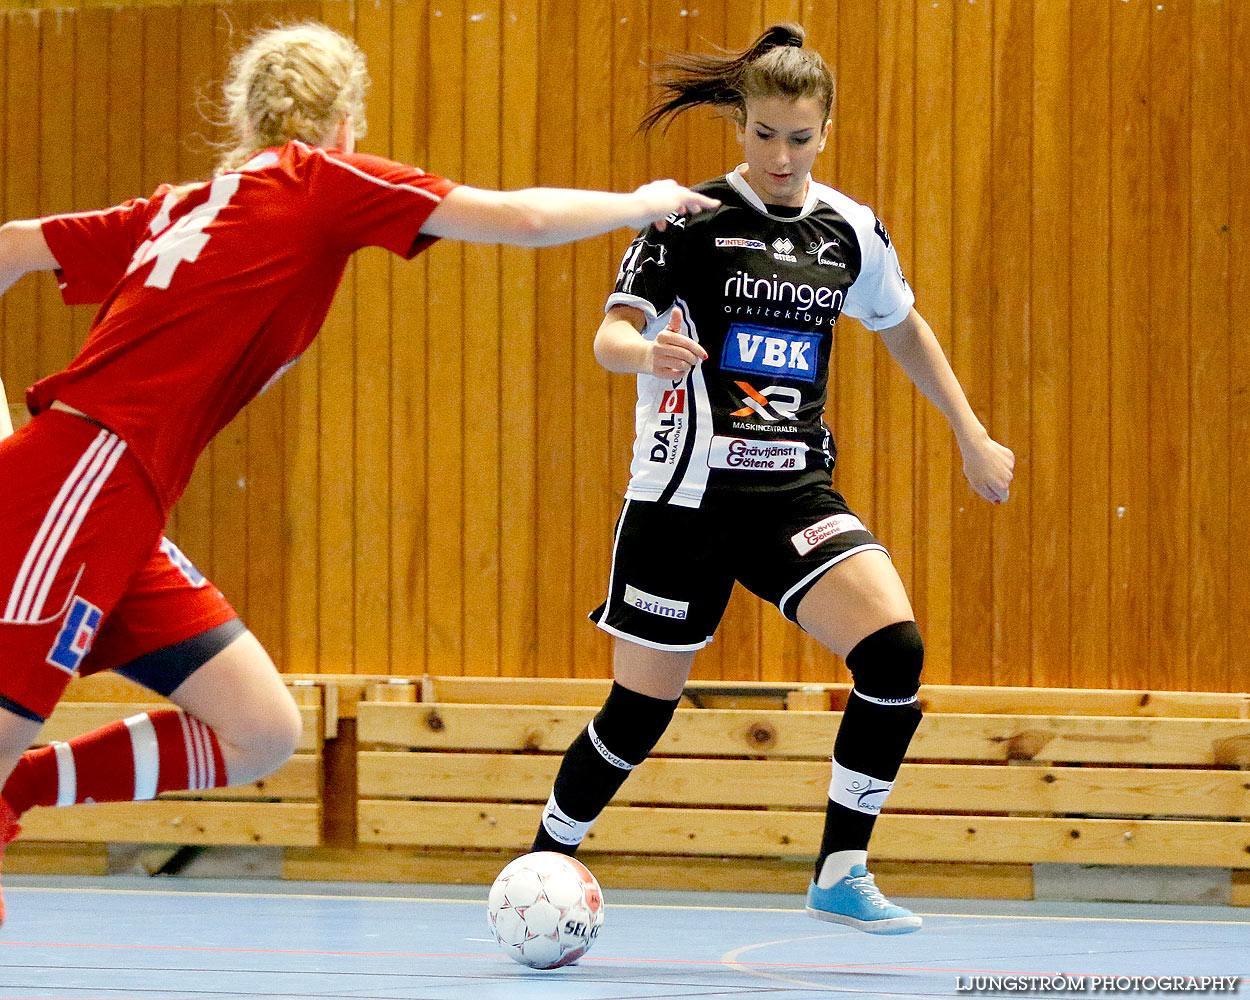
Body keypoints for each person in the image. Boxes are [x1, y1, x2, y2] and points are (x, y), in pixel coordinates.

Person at [0, 22, 718, 927]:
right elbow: (521, 220)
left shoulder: (184, 203)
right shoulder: (319, 183)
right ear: (344, 122)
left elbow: (16, 242)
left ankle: (16, 794)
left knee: (259, 729)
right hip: (82, 477)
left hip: (121, 497)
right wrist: (637, 200)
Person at [528, 23, 1014, 934]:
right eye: (762, 135)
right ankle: (547, 856)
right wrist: (647, 352)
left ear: (825, 131)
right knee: (637, 712)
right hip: (682, 498)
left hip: (790, 491)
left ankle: (840, 868)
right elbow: (609, 336)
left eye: (799, 137)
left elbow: (903, 326)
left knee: (894, 654)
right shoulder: (688, 219)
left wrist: (970, 432)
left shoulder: (851, 231)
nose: (781, 156)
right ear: (738, 126)